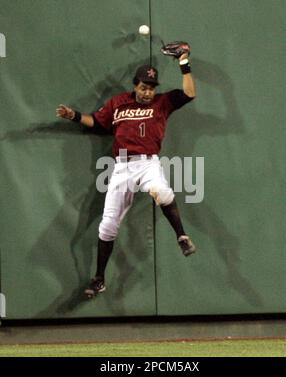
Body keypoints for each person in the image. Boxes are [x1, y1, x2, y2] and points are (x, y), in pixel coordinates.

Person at [56, 51, 197, 298]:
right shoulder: (118, 102)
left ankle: (182, 237)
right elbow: (98, 124)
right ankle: (99, 278)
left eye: (151, 88)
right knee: (107, 225)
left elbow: (189, 93)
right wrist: (75, 116)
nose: (147, 92)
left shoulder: (162, 102)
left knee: (161, 191)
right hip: (121, 167)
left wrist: (184, 63)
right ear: (135, 85)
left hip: (147, 163)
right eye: (144, 87)